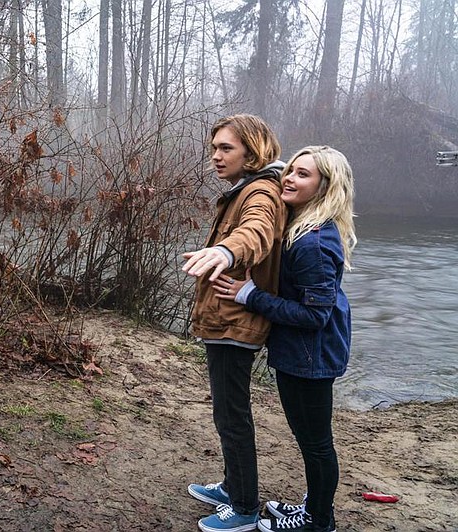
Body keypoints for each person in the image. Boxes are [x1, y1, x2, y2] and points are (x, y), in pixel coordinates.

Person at [213, 146, 356, 532]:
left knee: (316, 444)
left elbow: (314, 315)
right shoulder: (304, 228)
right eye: (290, 170)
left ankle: (317, 521)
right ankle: (313, 507)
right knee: (313, 440)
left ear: (326, 187)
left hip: (310, 357)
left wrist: (250, 296)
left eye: (303, 175)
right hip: (305, 353)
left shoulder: (312, 243)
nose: (290, 179)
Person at [181, 114, 287, 532]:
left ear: (252, 150)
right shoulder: (243, 189)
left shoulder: (261, 191)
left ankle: (243, 508)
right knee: (227, 412)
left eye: (226, 148)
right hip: (225, 320)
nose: (215, 157)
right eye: (214, 149)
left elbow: (256, 231)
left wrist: (226, 253)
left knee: (232, 415)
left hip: (236, 324)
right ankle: (231, 486)